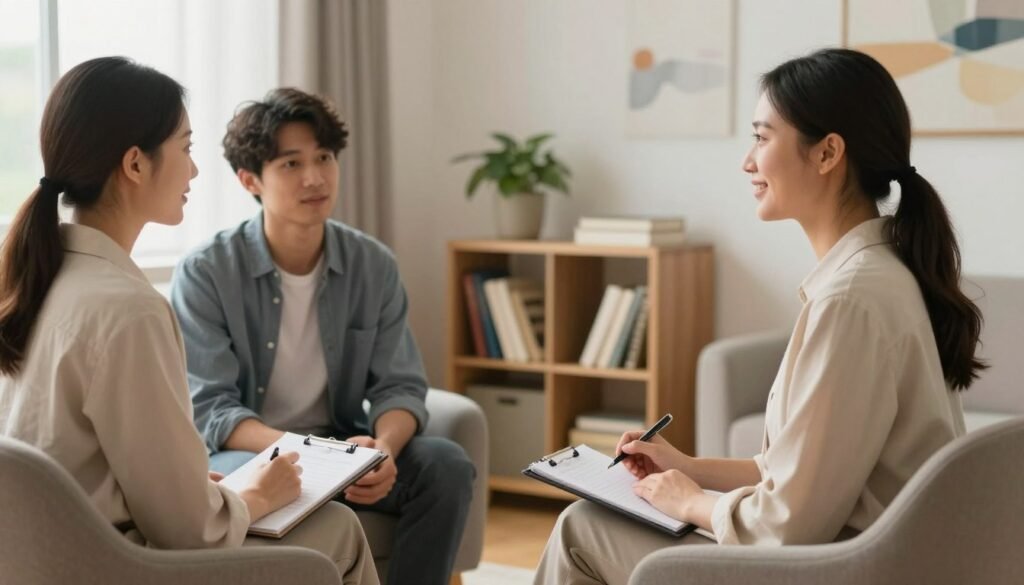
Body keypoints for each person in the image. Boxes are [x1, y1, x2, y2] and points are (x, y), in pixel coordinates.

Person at [533, 47, 985, 585]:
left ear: (827, 153)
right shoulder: (879, 275)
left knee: (581, 529)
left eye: (762, 137)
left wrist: (694, 502)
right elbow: (795, 477)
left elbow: (787, 526)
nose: (748, 161)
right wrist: (685, 467)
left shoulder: (851, 301)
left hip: (842, 569)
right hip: (869, 555)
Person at [0, 57, 378, 585]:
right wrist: (258, 493)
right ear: (135, 164)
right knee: (337, 527)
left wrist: (207, 489)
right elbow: (188, 530)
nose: (195, 170)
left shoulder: (38, 280)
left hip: (46, 559)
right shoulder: (128, 310)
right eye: (186, 147)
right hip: (118, 566)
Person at [169, 87, 474, 585]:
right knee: (240, 479)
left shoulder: (372, 264)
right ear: (251, 180)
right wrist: (313, 456)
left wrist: (383, 450)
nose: (315, 177)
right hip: (253, 450)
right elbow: (213, 411)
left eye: (324, 158)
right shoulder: (206, 272)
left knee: (446, 465)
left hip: (341, 442)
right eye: (291, 164)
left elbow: (399, 386)